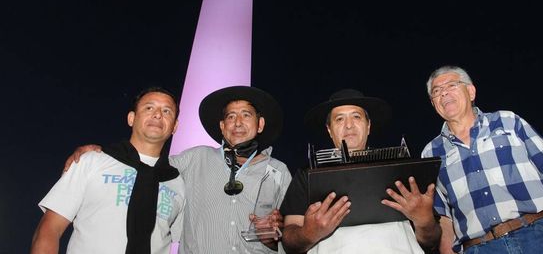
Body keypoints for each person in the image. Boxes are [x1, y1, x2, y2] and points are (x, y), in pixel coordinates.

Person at [64, 85, 292, 253]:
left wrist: (278, 232)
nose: (238, 122)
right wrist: (102, 153)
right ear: (222, 127)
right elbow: (144, 164)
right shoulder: (195, 158)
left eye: (246, 115)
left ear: (260, 124)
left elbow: (295, 235)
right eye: (231, 117)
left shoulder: (280, 172)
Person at [421, 65, 543, 254]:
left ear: (471, 92)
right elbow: (445, 220)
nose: (444, 93)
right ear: (433, 103)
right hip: (480, 248)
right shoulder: (431, 153)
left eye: (452, 85)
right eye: (436, 91)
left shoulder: (508, 121)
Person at [279, 88, 441, 254]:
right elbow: (289, 241)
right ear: (329, 130)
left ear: (368, 125)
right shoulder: (308, 174)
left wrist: (424, 221)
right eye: (339, 119)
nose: (349, 125)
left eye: (356, 116)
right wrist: (309, 233)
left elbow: (432, 240)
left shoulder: (404, 168)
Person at [31, 87, 185, 254]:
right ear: (131, 118)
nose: (157, 114)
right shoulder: (91, 161)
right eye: (149, 108)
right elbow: (49, 229)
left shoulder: (178, 182)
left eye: (167, 111)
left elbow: (183, 243)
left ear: (175, 126)